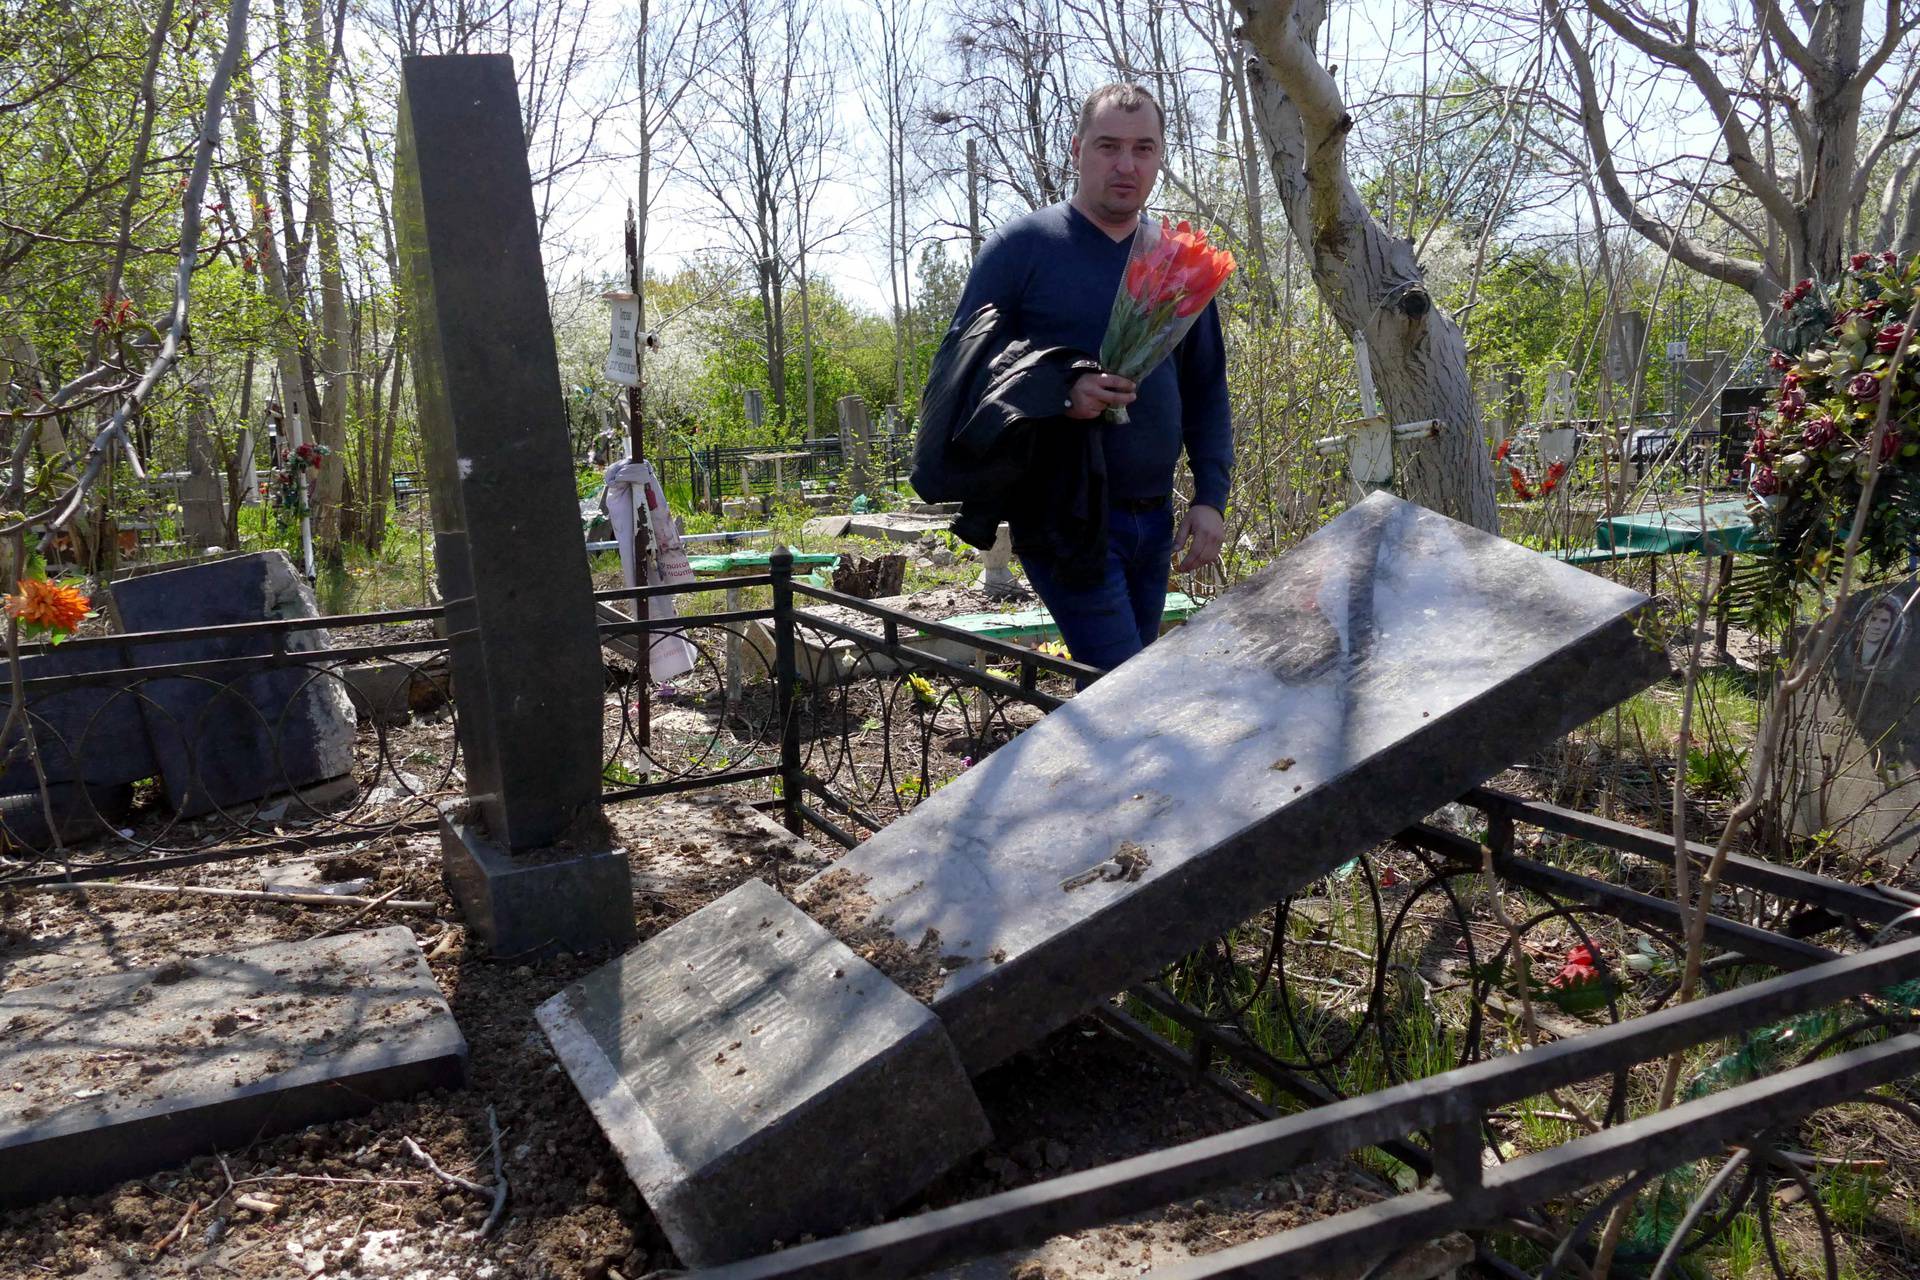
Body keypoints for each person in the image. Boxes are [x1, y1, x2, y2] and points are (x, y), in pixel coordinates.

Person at [947, 82, 1232, 672]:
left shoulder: (1175, 260)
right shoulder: (1022, 248)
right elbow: (961, 373)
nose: (1125, 165)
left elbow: (1206, 388)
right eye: (1108, 146)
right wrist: (1059, 390)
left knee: (1121, 697)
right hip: (1062, 515)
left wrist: (1210, 498)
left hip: (1153, 519)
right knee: (1128, 694)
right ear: (1077, 149)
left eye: (1143, 148)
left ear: (1159, 156)